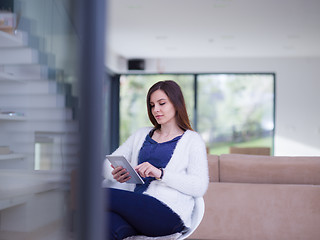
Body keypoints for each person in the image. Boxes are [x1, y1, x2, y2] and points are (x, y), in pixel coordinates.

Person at [103, 80, 209, 240]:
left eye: (162, 103)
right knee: (105, 223)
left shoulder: (192, 140)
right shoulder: (141, 134)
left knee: (97, 196)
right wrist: (116, 174)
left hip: (167, 213)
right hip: (138, 211)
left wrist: (160, 173)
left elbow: (199, 187)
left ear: (176, 103)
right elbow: (106, 165)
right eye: (152, 105)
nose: (156, 110)